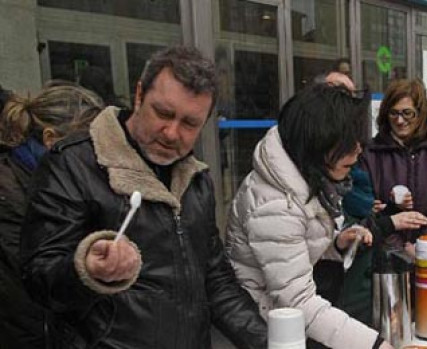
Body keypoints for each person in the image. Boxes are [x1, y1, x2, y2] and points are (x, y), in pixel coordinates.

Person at [19, 46, 267, 348]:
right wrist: (86, 268)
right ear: (139, 95)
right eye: (163, 113)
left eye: (190, 124)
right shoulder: (74, 164)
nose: (172, 133)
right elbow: (38, 277)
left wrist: (269, 341)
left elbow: (215, 281)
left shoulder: (196, 180)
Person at [225, 83, 393, 349]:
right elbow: (298, 302)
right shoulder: (276, 203)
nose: (358, 151)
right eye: (348, 143)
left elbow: (290, 250)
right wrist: (375, 345)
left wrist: (335, 245)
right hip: (270, 328)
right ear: (317, 142)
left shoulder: (304, 175)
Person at [0, 84, 103, 348]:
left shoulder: (56, 183)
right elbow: (24, 297)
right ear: (50, 139)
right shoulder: (12, 193)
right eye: (88, 145)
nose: (96, 157)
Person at [361, 78, 427, 246]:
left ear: (420, 113)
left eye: (407, 113)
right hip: (386, 257)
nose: (400, 121)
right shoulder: (371, 152)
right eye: (394, 113)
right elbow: (367, 208)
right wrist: (400, 247)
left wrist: (424, 244)